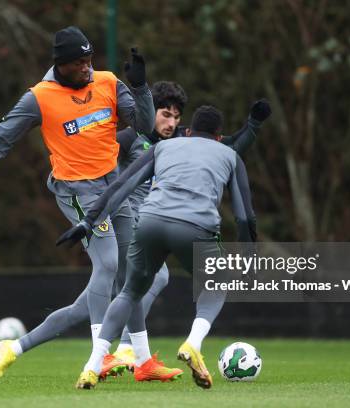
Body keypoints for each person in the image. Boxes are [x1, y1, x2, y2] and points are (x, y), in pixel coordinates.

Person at [0, 26, 162, 379]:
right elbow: (0, 139)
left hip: (113, 186)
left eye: (90, 60)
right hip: (76, 190)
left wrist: (139, 87)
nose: (87, 67)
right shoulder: (39, 97)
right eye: (79, 62)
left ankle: (144, 361)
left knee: (132, 269)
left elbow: (143, 125)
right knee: (107, 263)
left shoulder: (107, 82)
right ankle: (101, 354)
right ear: (61, 64)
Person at [57, 105, 257, 389]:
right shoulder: (231, 155)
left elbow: (121, 186)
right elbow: (244, 215)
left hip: (150, 222)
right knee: (215, 284)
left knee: (129, 292)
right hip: (196, 226)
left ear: (187, 132)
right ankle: (193, 343)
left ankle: (92, 366)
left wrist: (88, 222)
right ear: (218, 137)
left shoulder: (165, 147)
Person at [112, 81, 270, 370]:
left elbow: (227, 146)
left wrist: (253, 126)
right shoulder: (130, 137)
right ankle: (119, 349)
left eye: (176, 117)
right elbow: (110, 175)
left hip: (151, 224)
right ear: (150, 111)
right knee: (127, 286)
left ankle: (118, 351)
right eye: (165, 114)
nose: (171, 123)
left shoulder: (178, 144)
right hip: (124, 222)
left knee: (139, 284)